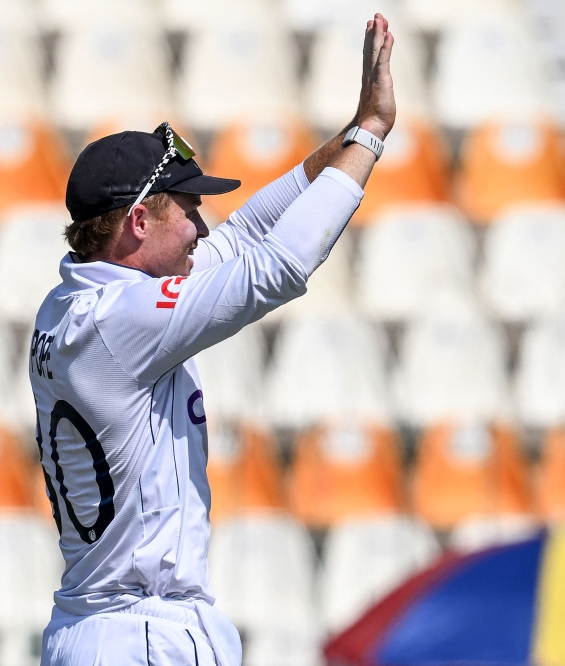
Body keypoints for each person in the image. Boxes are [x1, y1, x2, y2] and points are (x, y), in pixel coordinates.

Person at [30, 14, 396, 666]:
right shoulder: (121, 320)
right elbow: (274, 266)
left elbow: (245, 236)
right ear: (139, 222)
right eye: (188, 208)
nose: (203, 226)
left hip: (127, 626)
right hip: (137, 634)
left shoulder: (81, 302)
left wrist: (347, 133)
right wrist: (372, 137)